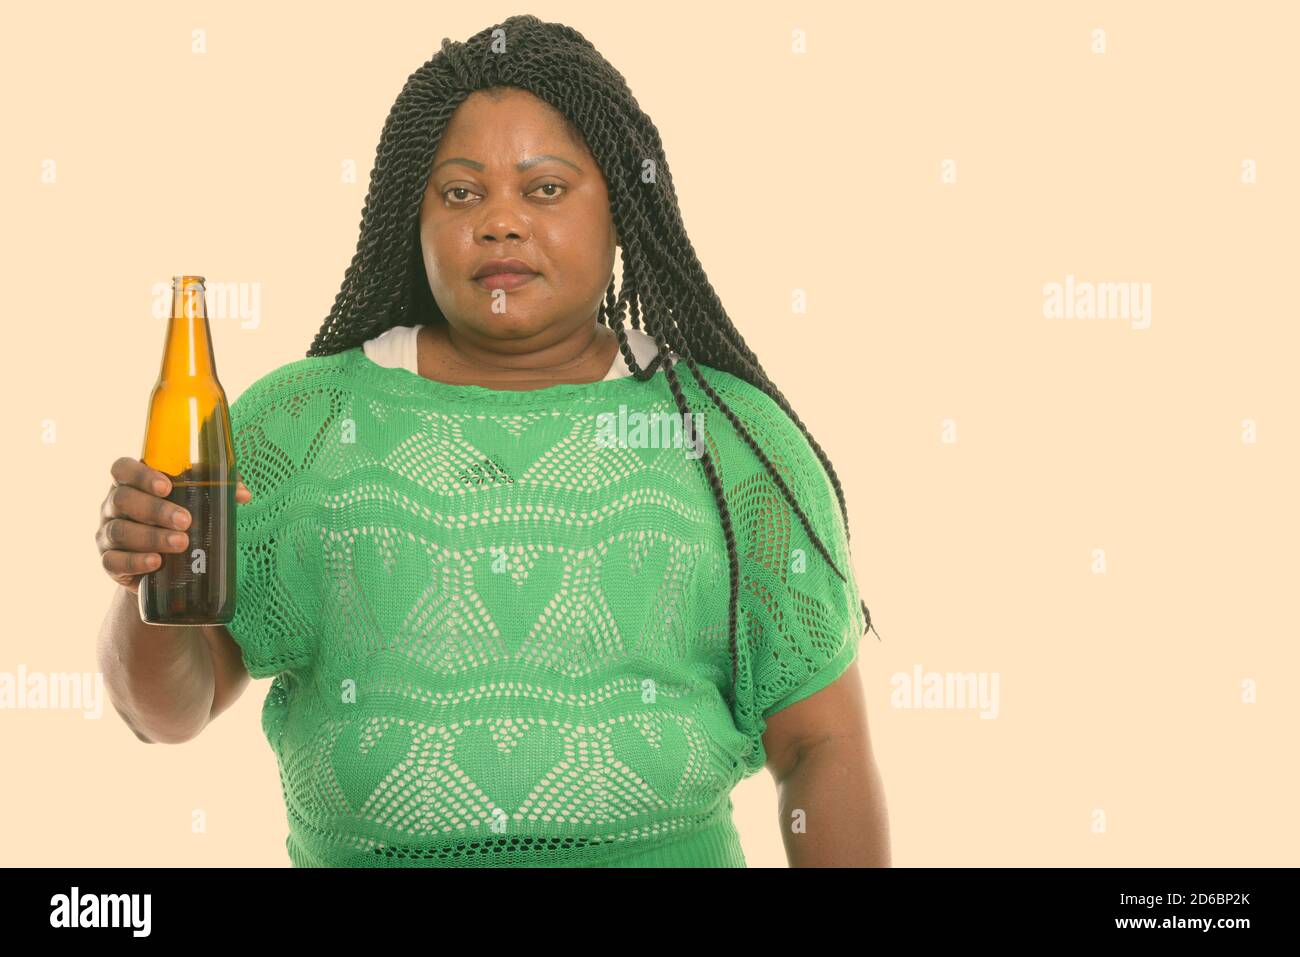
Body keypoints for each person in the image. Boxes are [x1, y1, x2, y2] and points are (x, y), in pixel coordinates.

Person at [96, 14, 889, 868]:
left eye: (545, 188)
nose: (500, 222)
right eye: (461, 192)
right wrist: (147, 582)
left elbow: (820, 749)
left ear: (621, 207)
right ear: (414, 214)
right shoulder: (297, 423)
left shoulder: (732, 438)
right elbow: (166, 712)